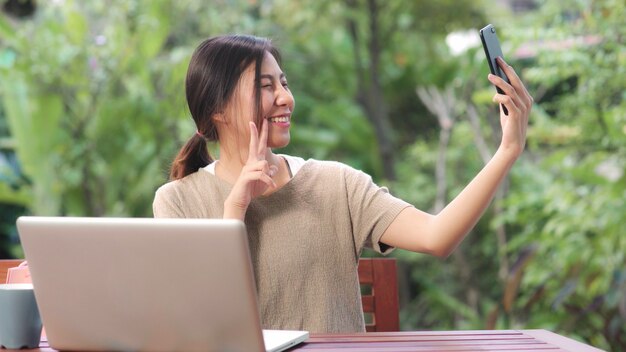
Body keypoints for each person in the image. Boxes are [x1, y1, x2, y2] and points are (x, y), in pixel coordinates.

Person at [153, 34, 532, 333]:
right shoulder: (178, 202)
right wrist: (235, 209)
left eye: (283, 83)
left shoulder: (336, 184)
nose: (286, 98)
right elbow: (197, 323)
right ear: (217, 109)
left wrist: (507, 150)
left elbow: (437, 237)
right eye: (265, 86)